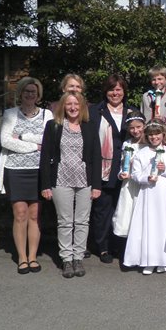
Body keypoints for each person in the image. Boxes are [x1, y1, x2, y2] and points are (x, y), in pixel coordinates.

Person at [40, 92, 102, 278]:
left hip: (85, 180)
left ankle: (78, 257)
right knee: (65, 221)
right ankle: (66, 259)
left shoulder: (90, 126)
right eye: (69, 104)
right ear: (63, 107)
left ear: (82, 106)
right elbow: (45, 158)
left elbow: (96, 157)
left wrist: (97, 185)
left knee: (82, 220)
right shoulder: (54, 126)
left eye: (76, 104)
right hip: (60, 179)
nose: (73, 107)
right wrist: (45, 185)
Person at [0, 77, 53, 274]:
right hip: (14, 170)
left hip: (39, 171)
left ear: (38, 94)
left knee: (35, 215)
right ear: (20, 93)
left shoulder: (47, 115)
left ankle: (33, 257)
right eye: (27, 91)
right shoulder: (11, 114)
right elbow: (5, 141)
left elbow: (48, 140)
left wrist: (22, 137)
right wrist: (33, 147)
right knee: (20, 214)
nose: (30, 94)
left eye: (34, 91)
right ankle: (22, 257)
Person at [89, 74, 137, 264]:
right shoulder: (96, 111)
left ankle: (121, 246)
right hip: (104, 168)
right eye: (111, 89)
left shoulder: (132, 111)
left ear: (124, 91)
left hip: (128, 169)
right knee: (103, 209)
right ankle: (103, 246)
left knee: (124, 208)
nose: (115, 93)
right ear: (105, 92)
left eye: (118, 89)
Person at [123, 119, 166, 274]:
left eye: (157, 134)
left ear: (163, 135)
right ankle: (148, 260)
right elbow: (135, 174)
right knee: (148, 224)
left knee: (163, 224)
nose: (154, 138)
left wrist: (165, 169)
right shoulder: (142, 153)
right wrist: (145, 178)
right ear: (147, 136)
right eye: (151, 135)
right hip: (147, 192)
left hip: (163, 192)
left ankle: (164, 260)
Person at [112, 111, 146, 239]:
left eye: (138, 127)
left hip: (142, 183)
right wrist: (121, 174)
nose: (135, 130)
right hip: (129, 184)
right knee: (127, 212)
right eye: (132, 128)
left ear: (144, 126)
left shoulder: (148, 144)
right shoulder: (127, 143)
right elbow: (123, 164)